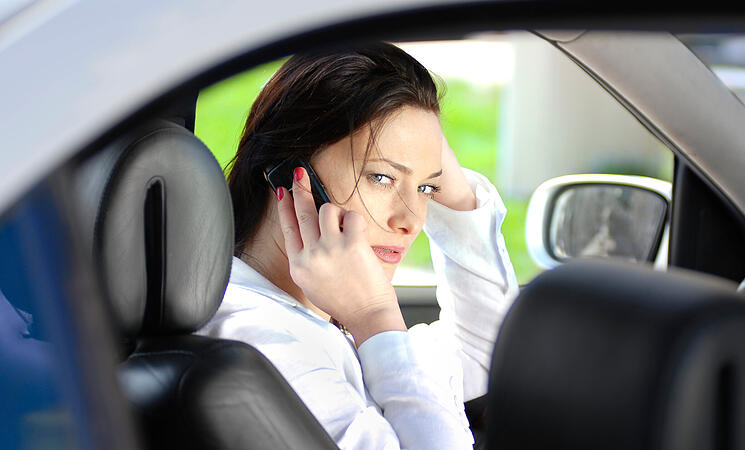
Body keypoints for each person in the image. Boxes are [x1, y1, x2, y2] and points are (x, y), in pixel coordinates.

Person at [197, 42, 518, 449]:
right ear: (288, 175)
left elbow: (486, 348)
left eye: (425, 188)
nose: (412, 221)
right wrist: (374, 316)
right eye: (381, 178)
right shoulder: (266, 342)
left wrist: (446, 186)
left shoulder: (309, 320)